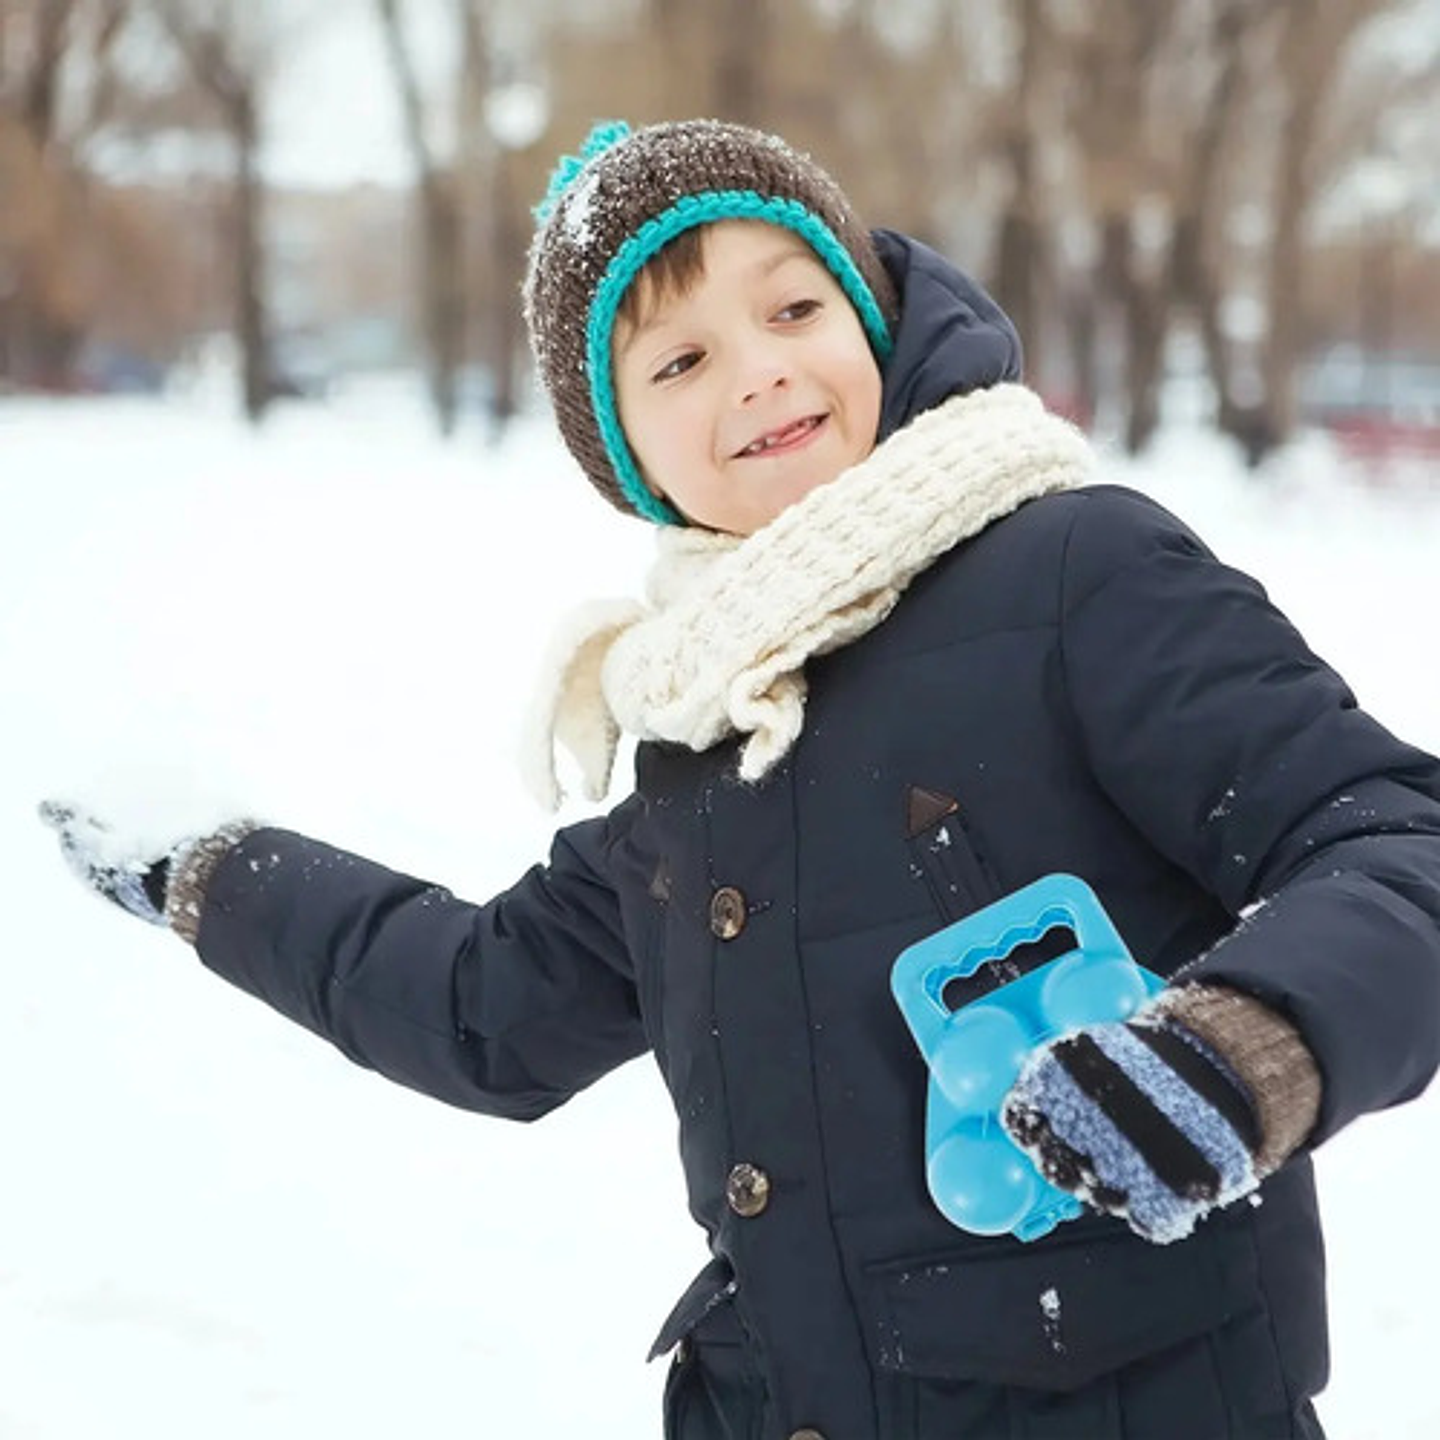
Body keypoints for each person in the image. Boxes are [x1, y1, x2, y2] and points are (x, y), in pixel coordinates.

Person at [42, 119, 1440, 1440]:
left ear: (869, 320)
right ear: (623, 459)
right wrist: (208, 869)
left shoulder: (1080, 575)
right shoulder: (695, 750)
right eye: (678, 363)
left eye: (792, 310)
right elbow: (479, 1009)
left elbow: (1393, 844)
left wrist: (1247, 1047)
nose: (760, 371)